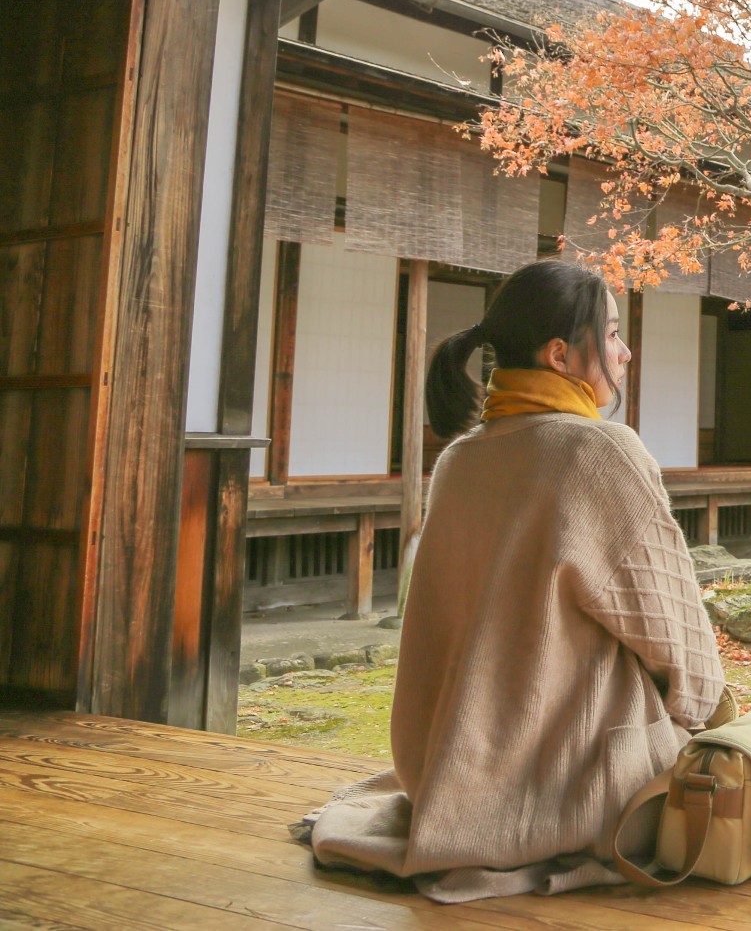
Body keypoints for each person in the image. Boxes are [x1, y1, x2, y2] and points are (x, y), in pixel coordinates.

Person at [297, 259, 728, 902]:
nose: (626, 351)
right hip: (580, 786)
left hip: (452, 774)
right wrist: (709, 718)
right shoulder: (601, 453)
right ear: (560, 355)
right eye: (611, 334)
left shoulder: (459, 459)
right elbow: (680, 643)